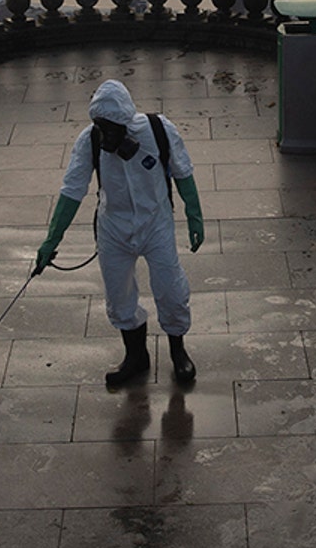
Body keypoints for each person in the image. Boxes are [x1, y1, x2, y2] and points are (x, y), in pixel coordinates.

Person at [36, 80, 206, 388]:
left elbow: (183, 171)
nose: (107, 135)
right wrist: (52, 240)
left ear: (127, 123)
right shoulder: (89, 141)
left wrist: (194, 216)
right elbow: (72, 190)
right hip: (113, 228)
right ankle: (136, 356)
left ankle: (178, 350)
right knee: (118, 295)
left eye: (112, 129)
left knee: (170, 288)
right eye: (101, 127)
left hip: (156, 224)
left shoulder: (158, 130)